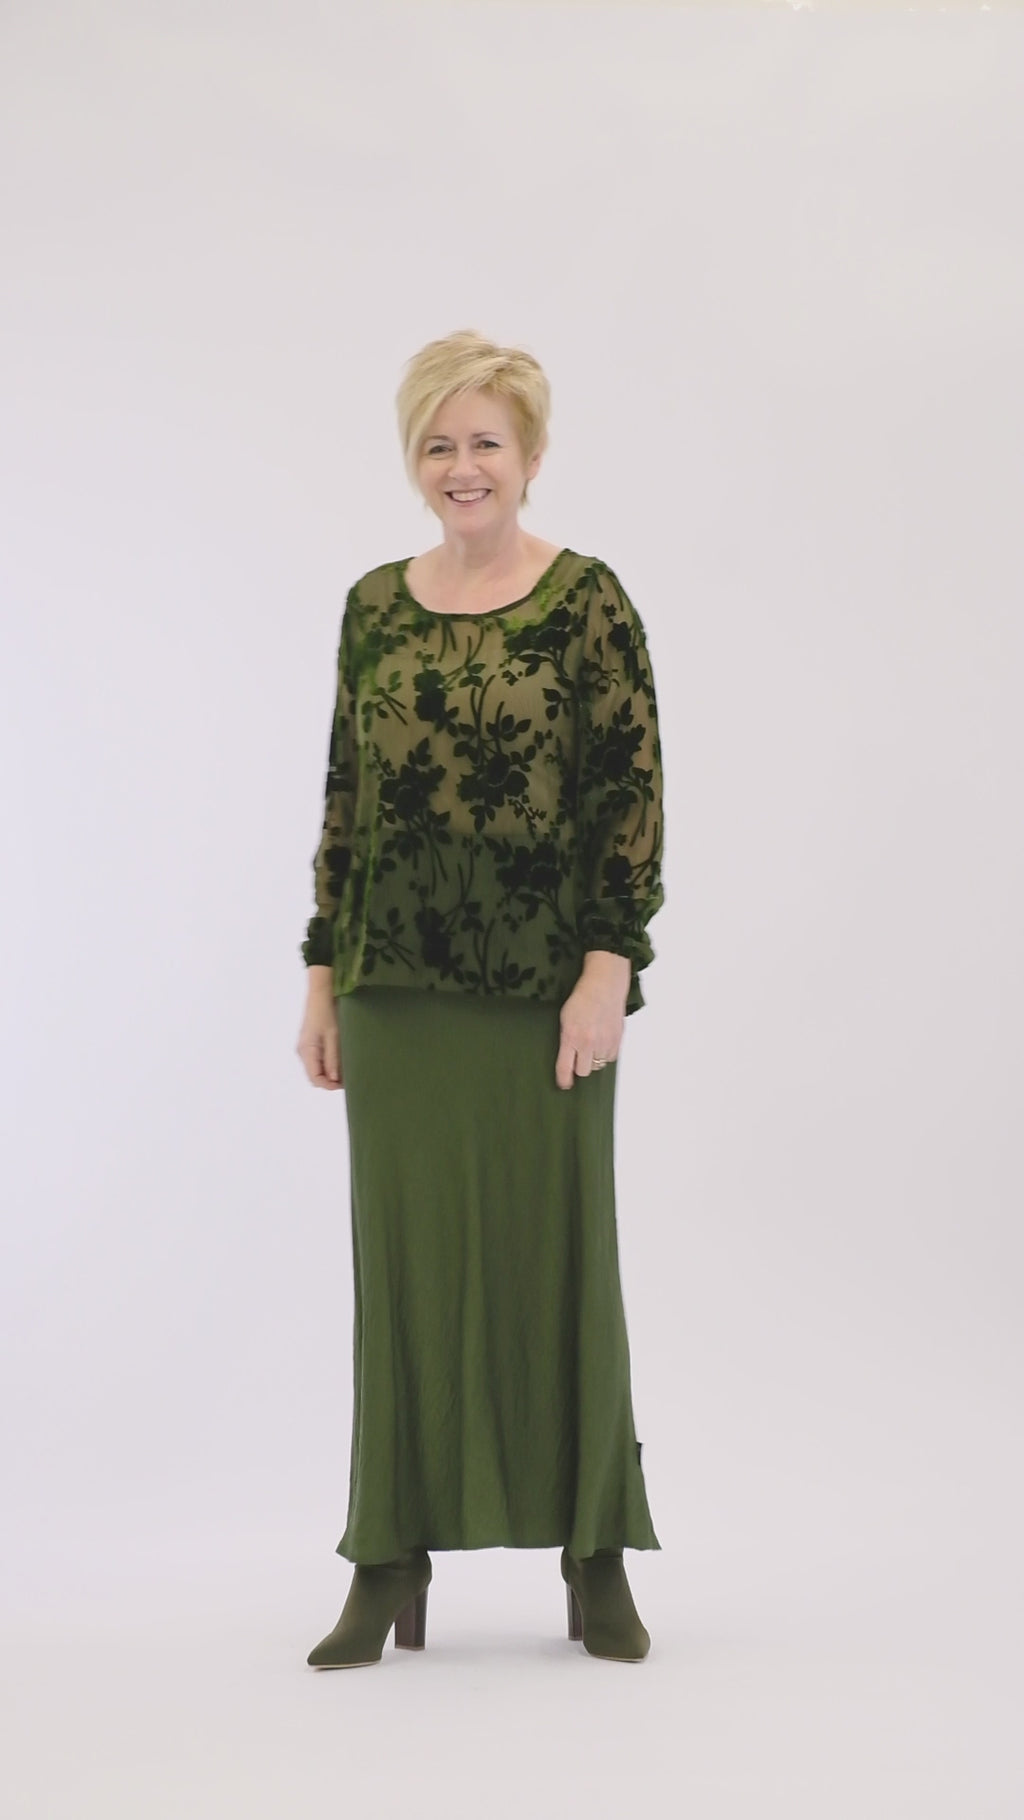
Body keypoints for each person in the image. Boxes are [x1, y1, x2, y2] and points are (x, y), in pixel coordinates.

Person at [295, 328, 666, 1668]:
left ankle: (594, 1550)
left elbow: (628, 796)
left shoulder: (588, 603)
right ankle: (387, 1555)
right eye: (439, 444)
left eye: (486, 443)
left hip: (541, 993)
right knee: (403, 1271)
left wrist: (609, 968)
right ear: (416, 458)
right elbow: (347, 802)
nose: (463, 466)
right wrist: (322, 976)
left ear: (531, 454)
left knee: (560, 1257)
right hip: (393, 990)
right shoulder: (372, 608)